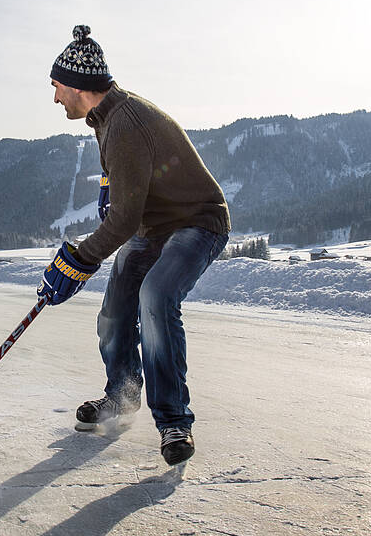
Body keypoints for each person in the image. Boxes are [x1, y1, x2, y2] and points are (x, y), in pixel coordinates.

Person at [37, 25, 231, 467]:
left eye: (55, 87)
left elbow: (123, 220)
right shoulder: (107, 118)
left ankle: (174, 419)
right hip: (154, 226)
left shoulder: (124, 123)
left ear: (76, 85)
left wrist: (77, 261)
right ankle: (121, 396)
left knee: (155, 296)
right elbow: (127, 194)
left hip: (196, 221)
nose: (54, 98)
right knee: (115, 311)